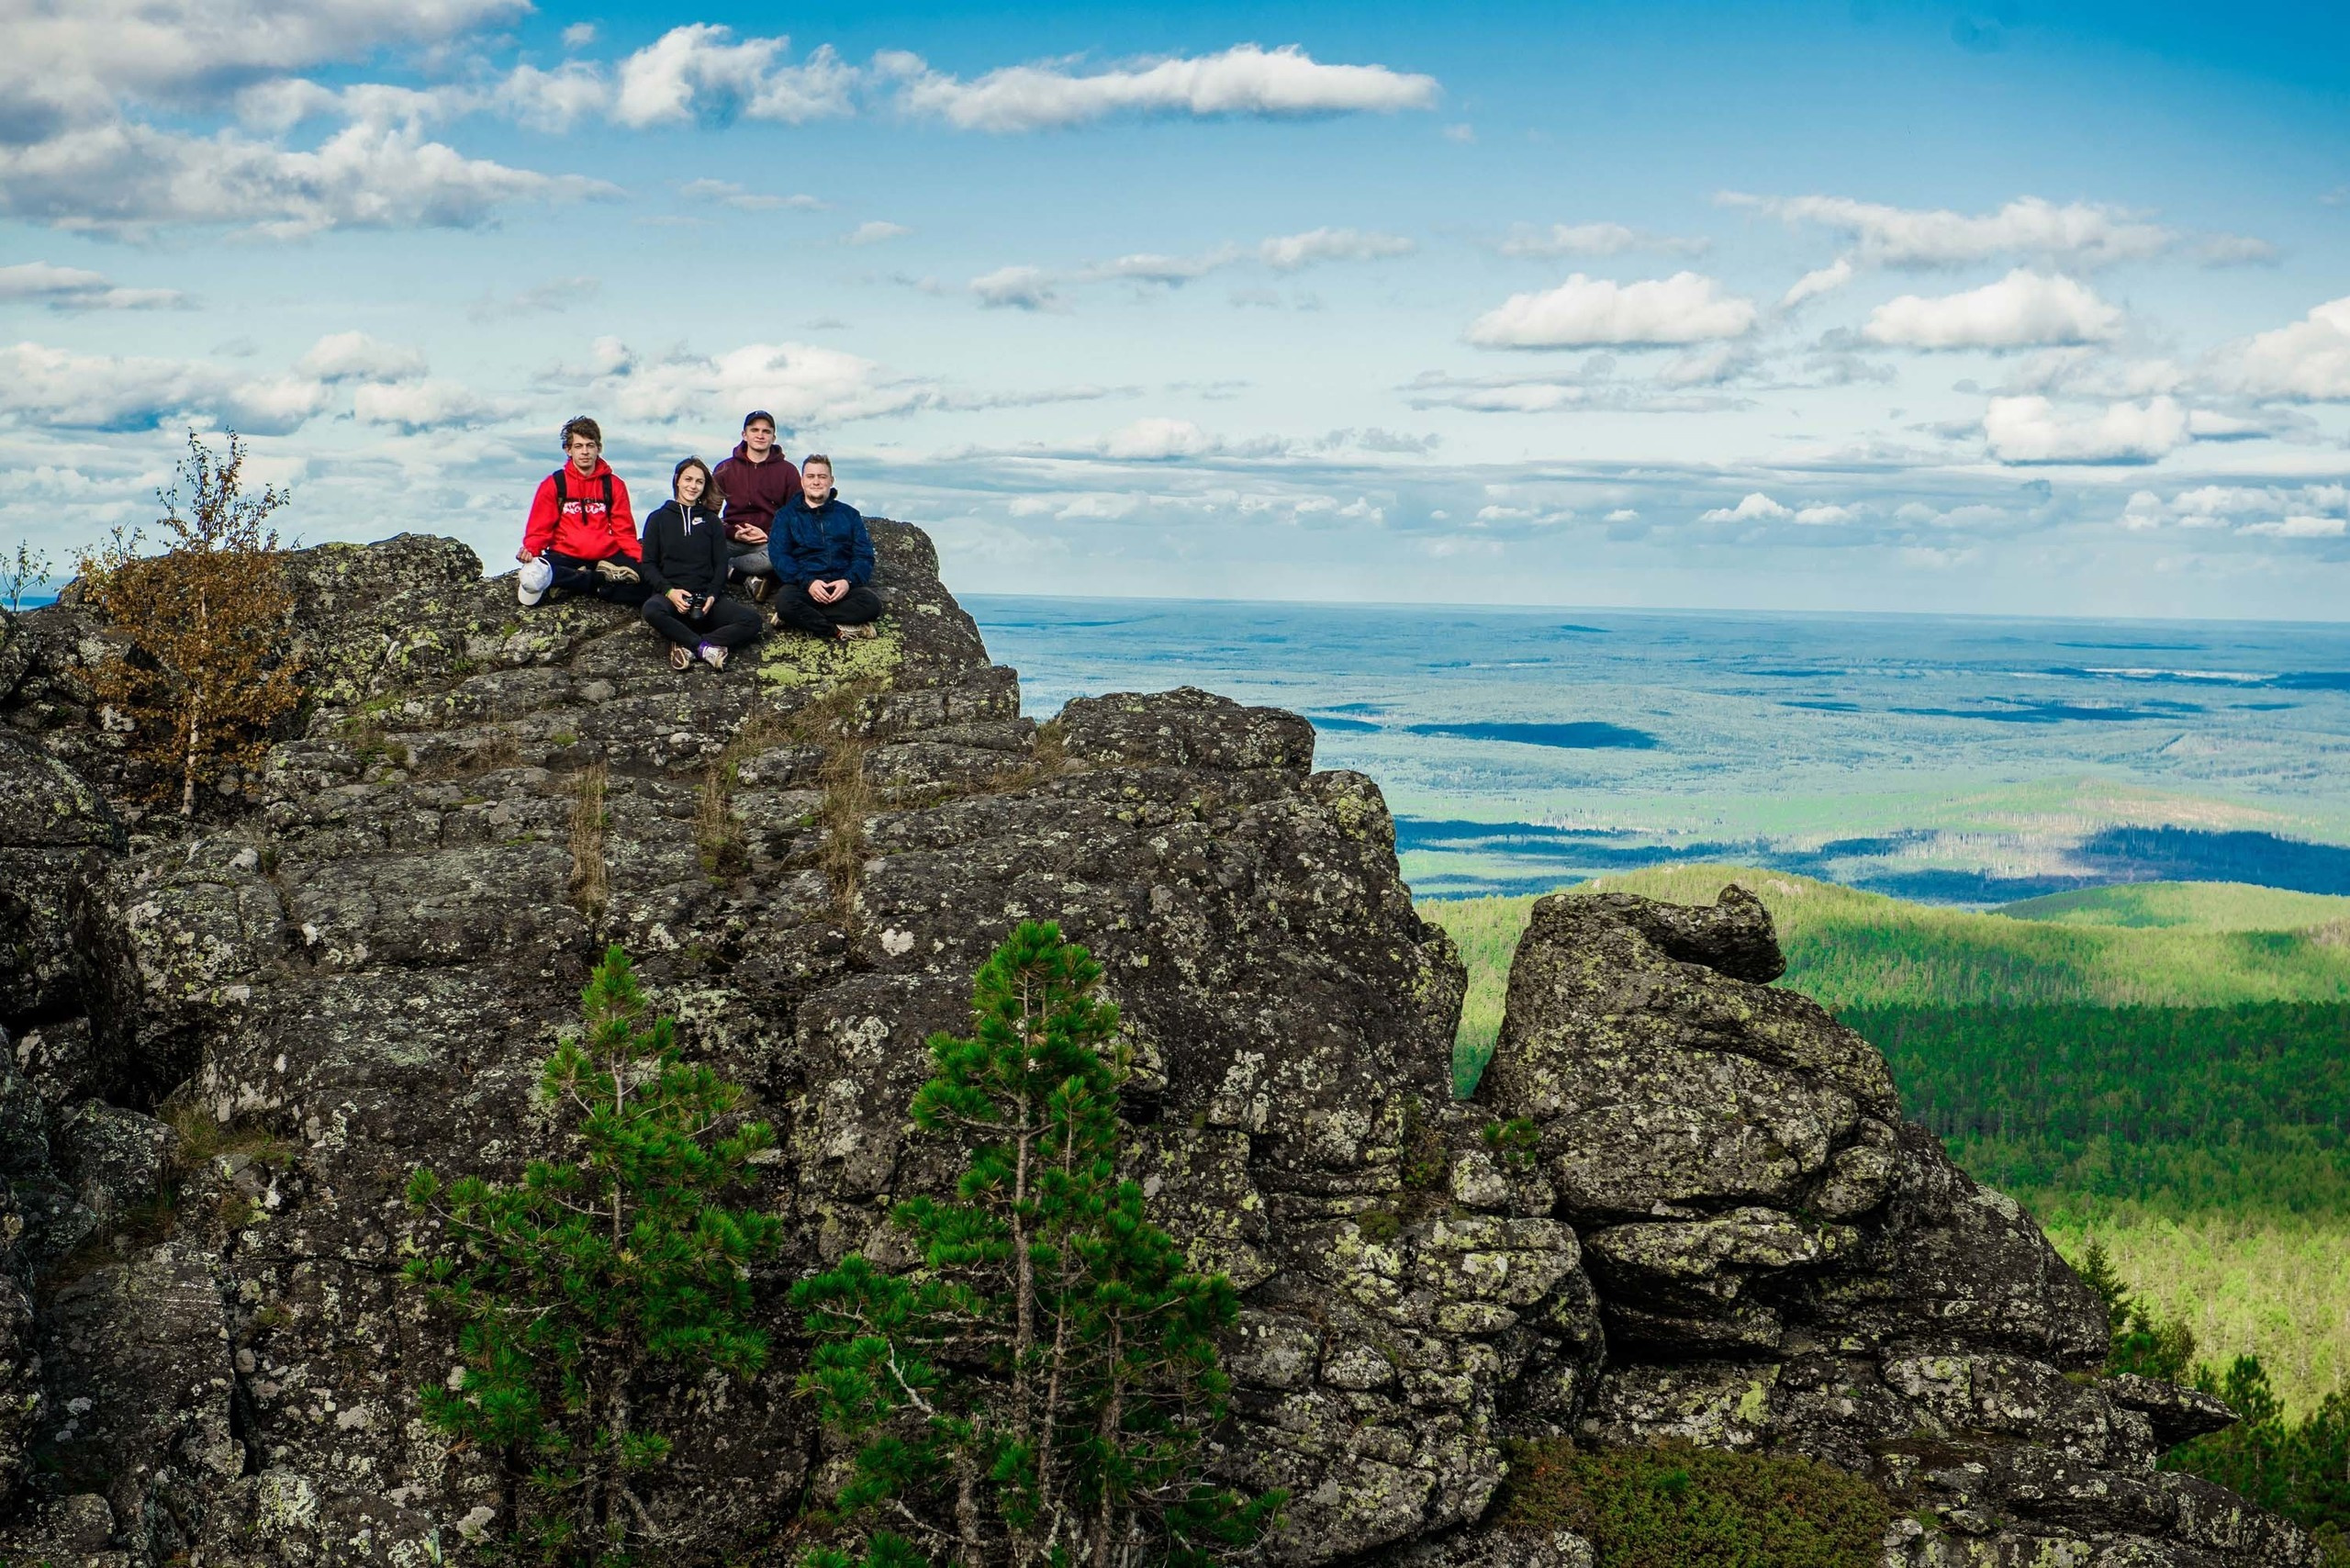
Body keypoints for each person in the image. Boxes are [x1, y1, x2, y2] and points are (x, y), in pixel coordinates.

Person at [638, 457, 765, 670]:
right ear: (677, 480)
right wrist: (670, 592)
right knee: (651, 610)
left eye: (699, 481)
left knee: (752, 621)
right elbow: (648, 564)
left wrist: (712, 595)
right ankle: (705, 648)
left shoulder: (712, 521)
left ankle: (689, 647)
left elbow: (721, 564)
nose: (692, 486)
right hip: (672, 597)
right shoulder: (657, 518)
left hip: (705, 599)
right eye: (688, 479)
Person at [516, 416, 642, 606]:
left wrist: (641, 559)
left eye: (590, 446)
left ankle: (573, 581)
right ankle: (598, 581)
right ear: (568, 450)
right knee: (533, 575)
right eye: (578, 446)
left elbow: (624, 532)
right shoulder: (554, 484)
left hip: (606, 557)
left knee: (645, 580)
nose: (585, 452)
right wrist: (531, 549)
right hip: (565, 557)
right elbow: (539, 529)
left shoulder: (614, 485)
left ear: (598, 448)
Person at [770, 454, 882, 641]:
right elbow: (780, 557)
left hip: (841, 587)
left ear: (831, 480)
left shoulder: (849, 515)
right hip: (804, 587)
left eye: (822, 477)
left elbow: (864, 556)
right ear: (802, 480)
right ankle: (837, 631)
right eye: (811, 476)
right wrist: (808, 582)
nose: (816, 482)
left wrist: (847, 581)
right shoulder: (786, 516)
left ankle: (799, 619)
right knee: (785, 603)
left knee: (871, 605)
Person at [709, 409, 800, 602]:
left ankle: (727, 567)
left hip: (767, 543)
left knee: (784, 557)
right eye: (755, 430)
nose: (760, 435)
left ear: (773, 437)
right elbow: (709, 513)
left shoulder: (788, 471)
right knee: (695, 548)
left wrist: (770, 533)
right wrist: (732, 532)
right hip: (733, 539)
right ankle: (745, 577)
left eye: (766, 431)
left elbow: (797, 515)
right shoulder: (725, 469)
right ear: (745, 434)